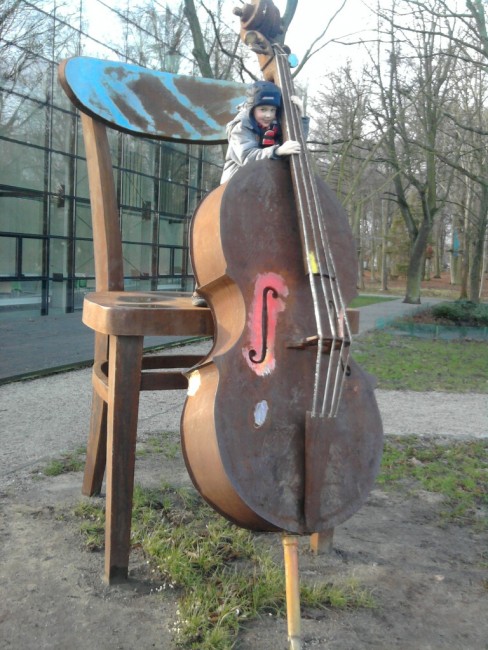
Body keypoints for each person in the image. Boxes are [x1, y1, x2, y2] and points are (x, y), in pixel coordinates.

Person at [192, 80, 309, 306]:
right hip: (235, 190)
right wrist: (277, 150)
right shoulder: (241, 127)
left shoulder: (275, 128)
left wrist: (300, 118)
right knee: (221, 241)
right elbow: (247, 157)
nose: (268, 115)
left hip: (260, 192)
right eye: (263, 109)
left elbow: (296, 146)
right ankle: (201, 288)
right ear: (253, 108)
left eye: (272, 110)